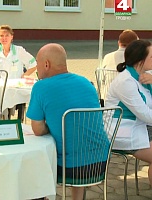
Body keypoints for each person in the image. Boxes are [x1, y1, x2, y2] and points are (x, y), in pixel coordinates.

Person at [26, 43, 106, 200]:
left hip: (70, 168)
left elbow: (37, 129)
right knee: (78, 145)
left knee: (30, 165)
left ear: (46, 64)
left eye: (37, 63)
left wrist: (51, 125)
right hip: (100, 163)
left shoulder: (41, 87)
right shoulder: (86, 83)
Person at [105, 39, 152, 187]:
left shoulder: (145, 75)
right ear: (140, 60)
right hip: (122, 131)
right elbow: (146, 115)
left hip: (142, 126)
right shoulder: (126, 82)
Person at [0, 25, 37, 120]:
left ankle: (14, 114)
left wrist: (24, 75)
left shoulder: (19, 51)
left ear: (12, 37)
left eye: (7, 35)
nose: (4, 38)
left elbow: (33, 64)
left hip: (16, 86)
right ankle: (4, 117)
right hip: (2, 86)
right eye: (1, 36)